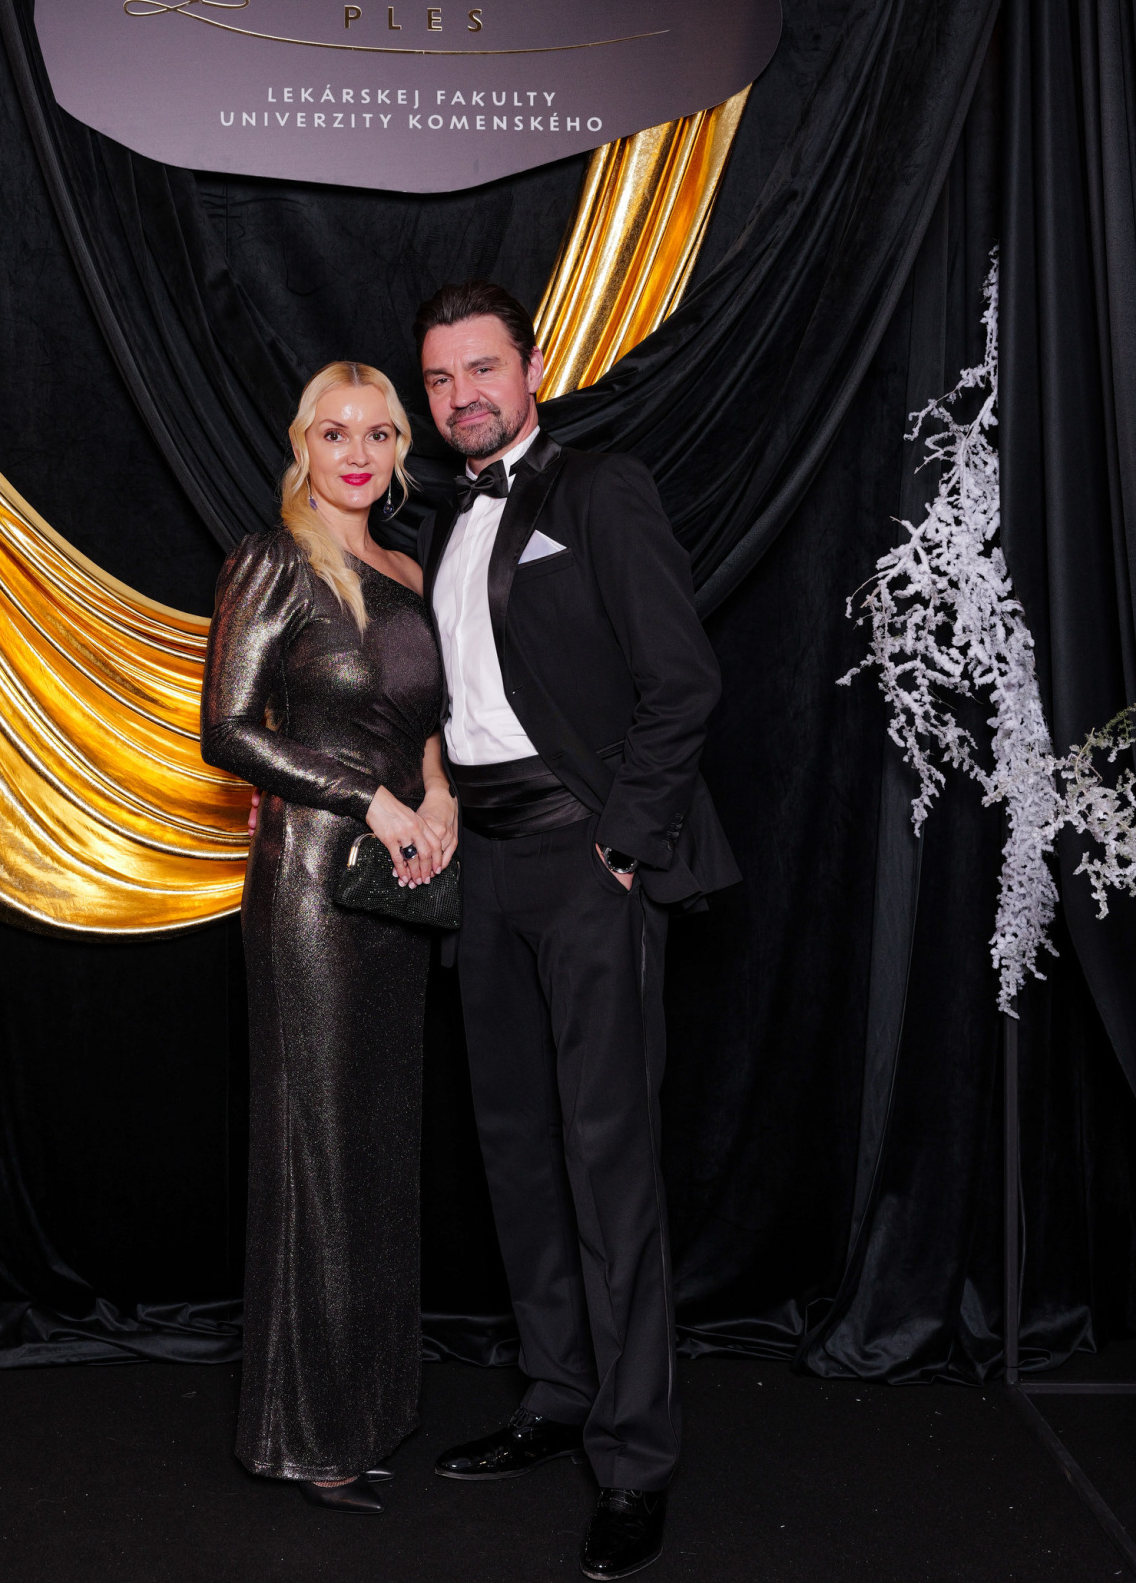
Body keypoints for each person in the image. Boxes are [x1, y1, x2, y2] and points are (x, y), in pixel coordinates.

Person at [414, 281, 739, 1581]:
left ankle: (635, 1458)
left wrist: (623, 843)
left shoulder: (601, 490)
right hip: (483, 869)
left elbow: (683, 680)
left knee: (608, 1160)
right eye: (440, 379)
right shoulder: (441, 518)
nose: (461, 396)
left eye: (481, 369)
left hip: (583, 858)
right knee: (515, 1150)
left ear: (532, 369)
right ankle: (554, 1397)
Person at [201, 360, 457, 1515]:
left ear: (400, 451)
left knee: (380, 1148)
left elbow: (421, 722)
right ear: (302, 444)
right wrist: (371, 799)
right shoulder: (273, 561)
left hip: (398, 893)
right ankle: (308, 1436)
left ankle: (368, 1412)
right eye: (334, 432)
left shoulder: (407, 570)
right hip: (311, 891)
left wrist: (438, 795)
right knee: (319, 1151)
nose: (357, 454)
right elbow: (227, 731)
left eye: (379, 434)